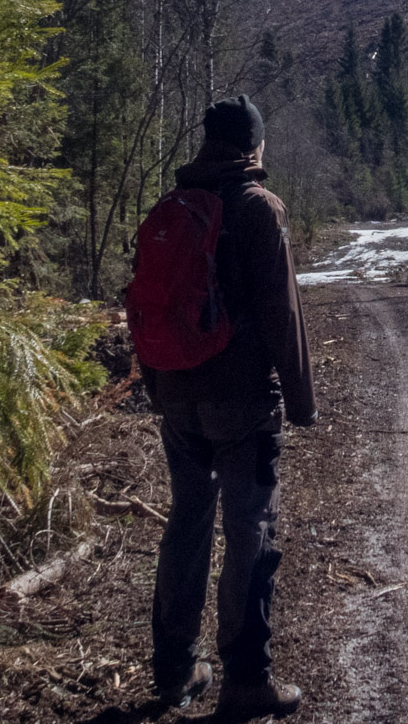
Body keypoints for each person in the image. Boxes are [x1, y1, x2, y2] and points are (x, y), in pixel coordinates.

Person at [142, 95, 316, 718]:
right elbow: (283, 314)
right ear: (253, 145)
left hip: (178, 398)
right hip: (241, 403)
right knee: (250, 531)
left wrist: (158, 387)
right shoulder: (258, 209)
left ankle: (176, 667)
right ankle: (246, 679)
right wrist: (301, 402)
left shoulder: (170, 208)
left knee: (187, 522)